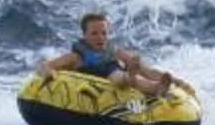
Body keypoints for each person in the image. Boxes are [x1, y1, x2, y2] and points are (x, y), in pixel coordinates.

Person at [40, 13, 179, 98]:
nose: (100, 37)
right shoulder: (76, 57)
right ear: (84, 35)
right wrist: (51, 74)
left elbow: (143, 68)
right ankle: (139, 80)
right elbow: (47, 65)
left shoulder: (113, 50)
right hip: (102, 81)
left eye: (104, 33)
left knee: (138, 67)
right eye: (94, 33)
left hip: (116, 73)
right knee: (122, 77)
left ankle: (160, 85)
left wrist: (176, 81)